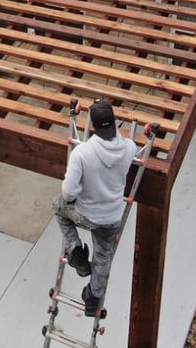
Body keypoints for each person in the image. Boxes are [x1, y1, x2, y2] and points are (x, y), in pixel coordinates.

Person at [53, 98, 140, 315]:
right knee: (103, 255)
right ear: (114, 122)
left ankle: (75, 251)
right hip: (112, 217)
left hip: (86, 215)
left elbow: (68, 193)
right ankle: (93, 299)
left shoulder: (82, 154)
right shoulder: (129, 148)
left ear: (91, 126)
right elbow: (127, 145)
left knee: (58, 205)